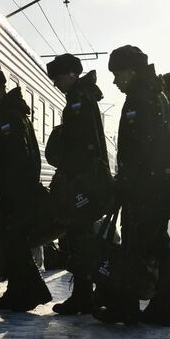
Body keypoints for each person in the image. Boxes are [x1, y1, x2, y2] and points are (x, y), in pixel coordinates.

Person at [94, 45, 170, 326]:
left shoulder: (140, 98)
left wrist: (124, 182)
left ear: (131, 71)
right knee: (156, 247)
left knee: (135, 246)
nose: (116, 81)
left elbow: (138, 147)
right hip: (158, 185)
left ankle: (127, 307)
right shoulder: (157, 93)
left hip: (144, 187)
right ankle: (161, 308)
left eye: (118, 74)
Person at [0, 68, 52, 312]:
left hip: (16, 196)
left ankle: (33, 293)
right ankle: (18, 293)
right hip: (16, 194)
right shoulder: (13, 115)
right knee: (13, 244)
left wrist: (10, 196)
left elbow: (17, 160)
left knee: (15, 244)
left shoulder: (10, 119)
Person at [45, 53, 109, 315]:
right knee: (81, 238)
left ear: (71, 74)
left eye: (58, 77)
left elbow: (81, 144)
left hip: (80, 181)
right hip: (84, 178)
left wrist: (70, 176)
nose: (56, 83)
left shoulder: (78, 101)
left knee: (79, 238)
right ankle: (85, 294)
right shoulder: (82, 97)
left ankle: (84, 296)